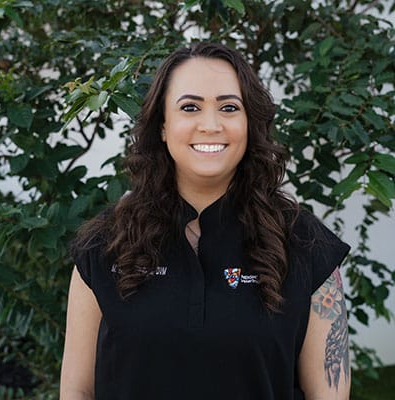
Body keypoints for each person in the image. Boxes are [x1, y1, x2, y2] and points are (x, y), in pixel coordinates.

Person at [60, 42, 351, 400]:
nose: (211, 125)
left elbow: (329, 394)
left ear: (249, 123)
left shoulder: (306, 244)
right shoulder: (103, 245)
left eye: (229, 107)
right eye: (190, 107)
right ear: (163, 126)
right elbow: (76, 391)